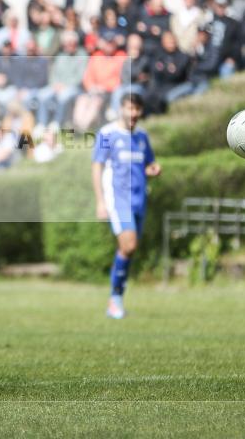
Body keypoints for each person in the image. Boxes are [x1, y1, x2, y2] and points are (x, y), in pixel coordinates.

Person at [91, 93, 160, 319]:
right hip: (117, 199)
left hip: (139, 199)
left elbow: (148, 164)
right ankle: (115, 299)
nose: (133, 114)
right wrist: (100, 201)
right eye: (129, 109)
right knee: (128, 245)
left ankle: (116, 296)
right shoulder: (106, 133)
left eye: (137, 110)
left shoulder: (142, 136)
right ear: (121, 109)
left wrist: (153, 170)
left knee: (129, 250)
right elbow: (96, 167)